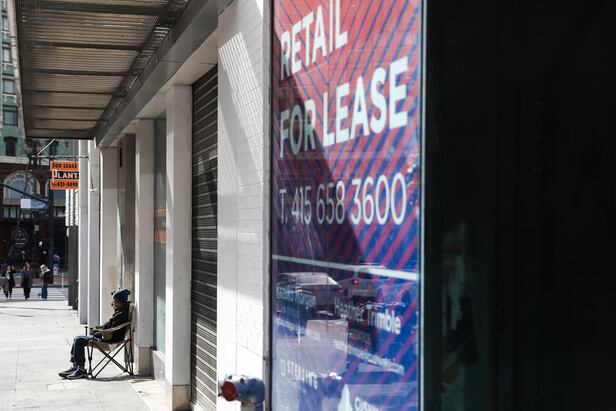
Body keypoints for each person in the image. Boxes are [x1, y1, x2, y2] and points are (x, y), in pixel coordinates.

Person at [58, 289, 131, 380]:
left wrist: (99, 332)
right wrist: (97, 330)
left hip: (109, 341)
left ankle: (81, 370)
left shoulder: (122, 315)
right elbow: (108, 325)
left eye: (115, 301)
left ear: (121, 302)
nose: (113, 303)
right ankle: (76, 366)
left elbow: (111, 329)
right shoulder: (120, 311)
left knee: (79, 340)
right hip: (106, 337)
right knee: (77, 338)